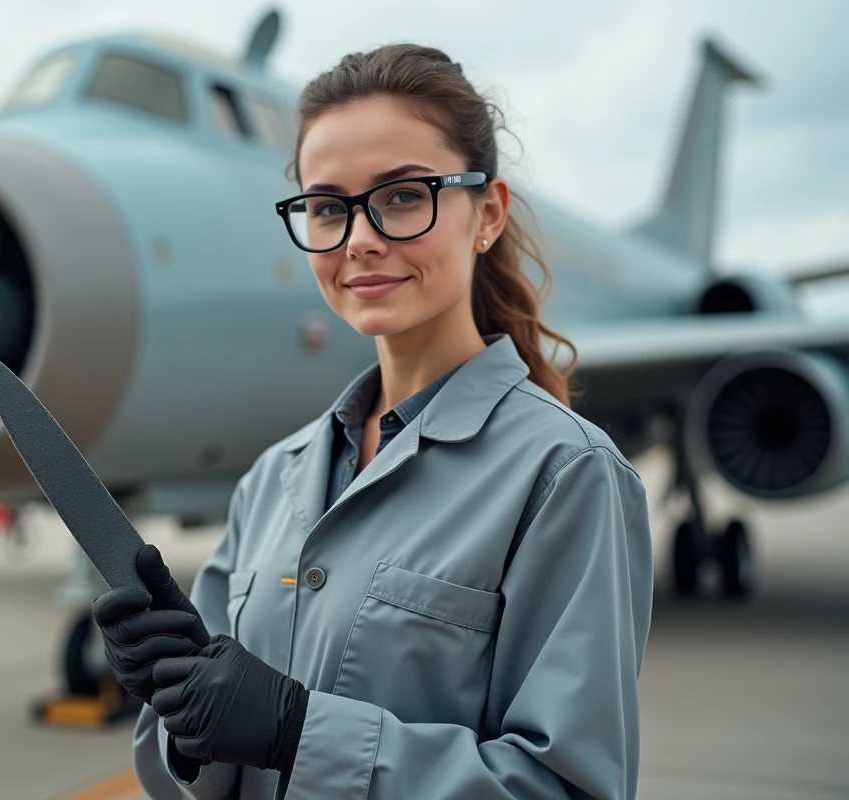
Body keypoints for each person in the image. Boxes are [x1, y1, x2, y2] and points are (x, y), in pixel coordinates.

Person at [93, 43, 654, 799]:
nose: (359, 238)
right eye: (327, 207)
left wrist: (296, 732)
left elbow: (568, 788)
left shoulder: (567, 475)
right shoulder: (274, 479)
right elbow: (188, 781)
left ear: (486, 214)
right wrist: (180, 712)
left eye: (401, 196)